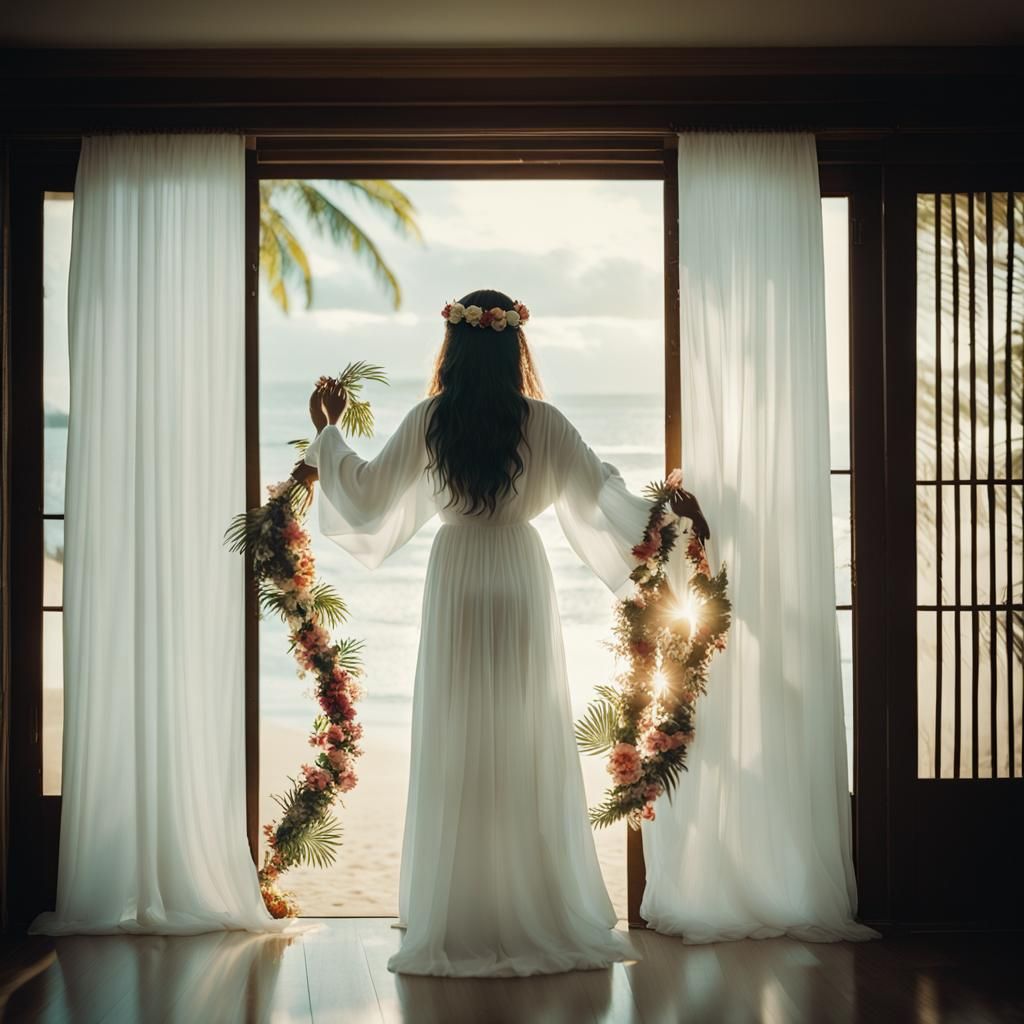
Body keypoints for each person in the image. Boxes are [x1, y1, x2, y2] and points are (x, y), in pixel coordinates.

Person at [293, 289, 705, 978]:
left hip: (456, 578)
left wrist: (329, 430)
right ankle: (532, 902)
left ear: (453, 348)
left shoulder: (432, 419)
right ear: (516, 346)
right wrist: (668, 513)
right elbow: (604, 496)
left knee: (458, 734)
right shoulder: (545, 423)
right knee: (523, 734)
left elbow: (364, 496)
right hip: (519, 574)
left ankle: (456, 907)